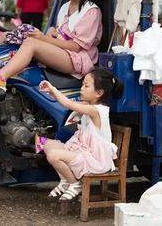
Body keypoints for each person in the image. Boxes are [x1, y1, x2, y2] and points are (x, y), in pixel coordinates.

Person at [37, 69, 122, 201]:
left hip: (95, 160)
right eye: (82, 84)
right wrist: (52, 93)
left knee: (53, 156)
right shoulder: (88, 105)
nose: (81, 89)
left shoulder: (96, 110)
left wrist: (53, 89)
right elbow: (68, 103)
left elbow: (68, 103)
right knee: (43, 143)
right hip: (83, 151)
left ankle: (75, 184)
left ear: (99, 93)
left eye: (86, 86)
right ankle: (65, 180)